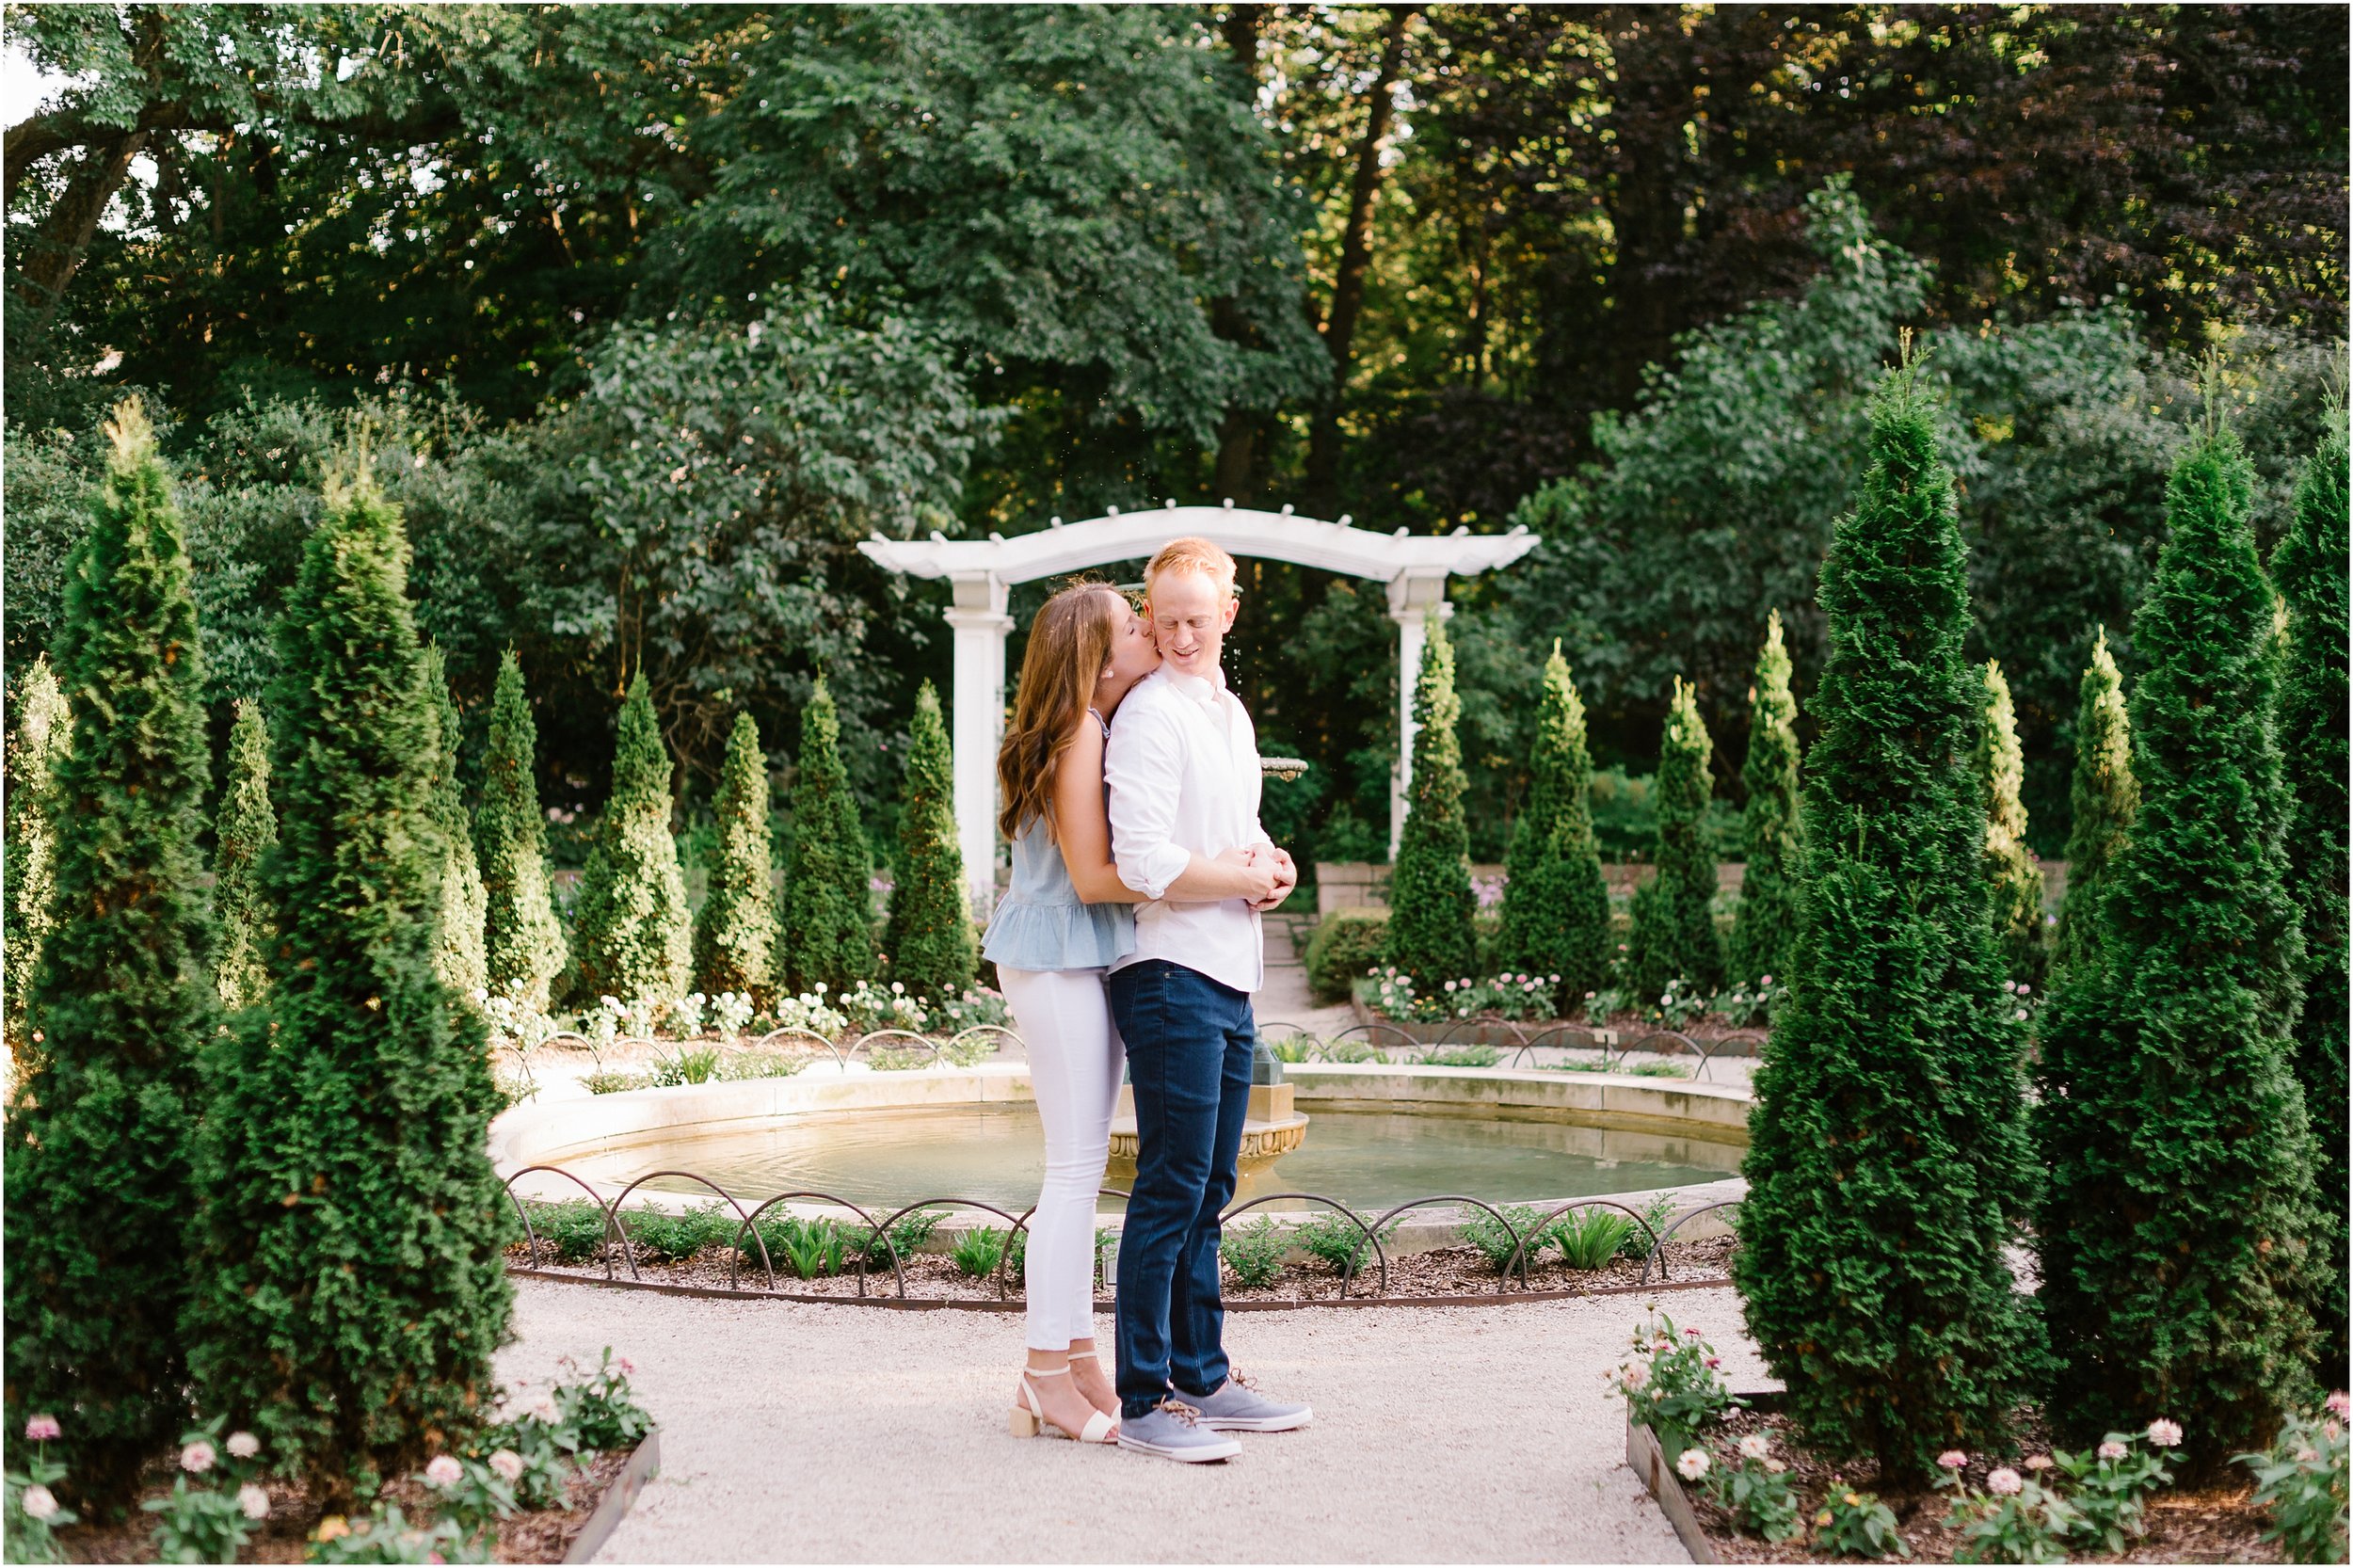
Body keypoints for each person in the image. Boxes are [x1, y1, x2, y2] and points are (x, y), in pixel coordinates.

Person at [983, 579, 1280, 1448]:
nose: (1152, 630)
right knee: (1075, 1171)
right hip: (1057, 954)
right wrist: (1230, 876)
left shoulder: (1099, 725)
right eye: (1133, 623)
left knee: (1080, 1167)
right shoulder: (1080, 731)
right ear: (1100, 654)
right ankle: (1045, 1375)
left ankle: (1078, 1362)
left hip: (1082, 956)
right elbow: (1095, 879)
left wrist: (1237, 869)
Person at [1104, 537, 1311, 1464]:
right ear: (1149, 620)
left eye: (1198, 617)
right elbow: (1142, 861)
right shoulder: (1149, 715)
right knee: (1171, 1186)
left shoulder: (1226, 711)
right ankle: (1142, 1397)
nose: (1182, 634)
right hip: (1167, 971)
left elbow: (1236, 834)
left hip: (1227, 968)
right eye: (1166, 620)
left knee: (1210, 1186)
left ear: (1229, 612)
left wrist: (1271, 866)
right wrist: (1232, 873)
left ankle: (1204, 1374)